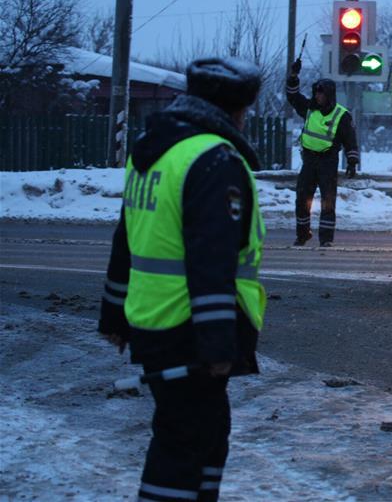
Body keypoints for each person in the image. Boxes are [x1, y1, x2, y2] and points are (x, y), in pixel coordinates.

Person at [98, 57, 268, 502]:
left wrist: (114, 317)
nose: (245, 120)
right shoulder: (213, 160)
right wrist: (217, 346)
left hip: (153, 322)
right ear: (231, 111)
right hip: (188, 331)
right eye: (244, 112)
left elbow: (126, 241)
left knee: (208, 437)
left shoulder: (157, 155)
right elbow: (211, 259)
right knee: (183, 447)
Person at [286, 57, 359, 247]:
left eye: (320, 93)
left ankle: (326, 239)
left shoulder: (341, 115)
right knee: (302, 199)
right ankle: (303, 235)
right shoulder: (309, 109)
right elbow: (293, 96)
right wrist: (293, 75)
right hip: (309, 160)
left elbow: (350, 140)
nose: (317, 96)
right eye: (315, 93)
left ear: (329, 95)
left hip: (328, 161)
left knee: (328, 201)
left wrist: (352, 161)